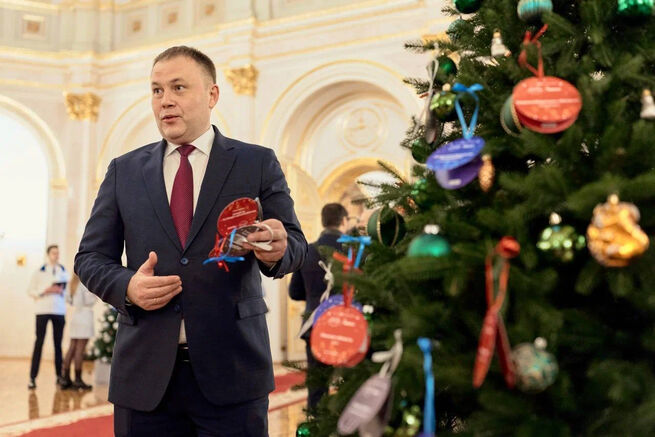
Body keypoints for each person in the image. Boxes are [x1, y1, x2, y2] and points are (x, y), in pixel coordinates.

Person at [74, 45, 307, 437]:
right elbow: (90, 257)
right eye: (157, 90)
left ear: (212, 95)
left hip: (233, 371)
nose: (165, 100)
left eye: (178, 88)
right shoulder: (123, 171)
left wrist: (277, 248)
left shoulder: (256, 163)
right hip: (144, 377)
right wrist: (128, 286)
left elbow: (296, 245)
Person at [288, 203, 349, 413]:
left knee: (317, 385)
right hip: (347, 324)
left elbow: (294, 292)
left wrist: (314, 295)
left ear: (323, 221)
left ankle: (315, 423)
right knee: (350, 383)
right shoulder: (352, 250)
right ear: (343, 221)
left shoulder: (308, 250)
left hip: (315, 324)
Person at [27, 244, 68, 390]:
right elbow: (30, 290)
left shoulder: (63, 271)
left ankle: (59, 376)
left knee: (58, 345)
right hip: (43, 310)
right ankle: (32, 378)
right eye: (53, 253)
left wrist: (60, 291)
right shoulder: (39, 272)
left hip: (59, 310)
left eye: (57, 253)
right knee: (39, 343)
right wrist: (45, 291)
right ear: (48, 254)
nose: (56, 256)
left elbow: (68, 293)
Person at [60, 274, 96, 390]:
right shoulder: (85, 284)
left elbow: (68, 300)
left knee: (72, 347)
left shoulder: (71, 284)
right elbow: (89, 300)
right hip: (84, 317)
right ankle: (78, 379)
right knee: (80, 349)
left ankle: (65, 378)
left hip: (75, 317)